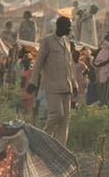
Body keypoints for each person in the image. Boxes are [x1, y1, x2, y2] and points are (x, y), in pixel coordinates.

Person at [28, 16, 77, 146]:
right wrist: (33, 82)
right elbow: (38, 63)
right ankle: (42, 138)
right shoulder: (47, 41)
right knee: (57, 114)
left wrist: (74, 83)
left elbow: (70, 65)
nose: (70, 29)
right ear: (60, 26)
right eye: (68, 26)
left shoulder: (67, 42)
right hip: (53, 86)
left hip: (67, 86)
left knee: (65, 122)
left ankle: (60, 148)